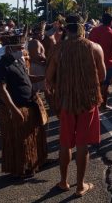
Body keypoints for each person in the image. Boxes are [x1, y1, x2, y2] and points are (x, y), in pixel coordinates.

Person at [46, 14, 105, 196]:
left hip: (66, 103)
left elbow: (48, 79)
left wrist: (63, 86)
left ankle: (64, 182)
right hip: (87, 102)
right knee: (82, 145)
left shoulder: (58, 50)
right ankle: (80, 186)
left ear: (66, 29)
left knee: (65, 143)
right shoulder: (94, 47)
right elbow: (102, 76)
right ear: (81, 27)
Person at [0, 33, 48, 178]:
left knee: (35, 137)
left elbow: (27, 78)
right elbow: (1, 89)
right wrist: (14, 109)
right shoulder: (1, 66)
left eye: (22, 47)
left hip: (29, 104)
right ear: (9, 49)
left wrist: (45, 77)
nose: (22, 50)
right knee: (20, 142)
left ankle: (38, 161)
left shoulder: (19, 61)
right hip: (17, 108)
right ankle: (21, 167)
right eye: (18, 48)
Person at [88, 13, 112, 111]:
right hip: (108, 64)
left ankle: (95, 104)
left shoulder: (94, 31)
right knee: (105, 87)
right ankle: (103, 105)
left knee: (96, 85)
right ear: (111, 21)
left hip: (93, 63)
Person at [29, 22, 47, 94]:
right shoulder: (35, 42)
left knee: (39, 89)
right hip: (37, 67)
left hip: (37, 65)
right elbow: (37, 56)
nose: (43, 35)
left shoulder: (35, 41)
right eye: (42, 33)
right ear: (38, 33)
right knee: (42, 88)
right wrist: (46, 60)